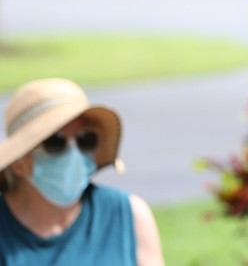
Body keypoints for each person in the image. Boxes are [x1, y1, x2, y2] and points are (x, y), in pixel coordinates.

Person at [0, 78, 164, 266]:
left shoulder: (130, 215)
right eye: (55, 142)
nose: (73, 154)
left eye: (85, 140)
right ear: (18, 162)